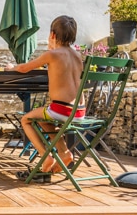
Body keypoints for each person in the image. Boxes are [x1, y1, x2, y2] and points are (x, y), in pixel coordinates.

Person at [6, 15, 84, 181]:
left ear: (53, 35)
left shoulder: (52, 55)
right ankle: (64, 153)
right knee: (42, 118)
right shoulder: (78, 56)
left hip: (61, 109)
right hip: (79, 112)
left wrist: (12, 67)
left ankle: (45, 156)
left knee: (26, 120)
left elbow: (25, 68)